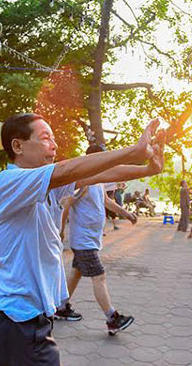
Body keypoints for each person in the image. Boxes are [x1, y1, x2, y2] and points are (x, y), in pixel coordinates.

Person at [0, 114, 164, 366]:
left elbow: (101, 174)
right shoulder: (6, 183)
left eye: (53, 138)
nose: (53, 145)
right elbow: (67, 169)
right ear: (18, 146)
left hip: (10, 317)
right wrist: (134, 150)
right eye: (44, 138)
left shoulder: (47, 184)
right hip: (19, 322)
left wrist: (148, 168)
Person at [58, 144, 139, 335]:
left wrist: (126, 213)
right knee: (99, 276)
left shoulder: (99, 180)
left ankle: (61, 308)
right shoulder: (84, 180)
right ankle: (112, 318)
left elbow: (106, 201)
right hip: (83, 240)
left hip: (89, 239)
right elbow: (67, 203)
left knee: (76, 272)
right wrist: (60, 231)